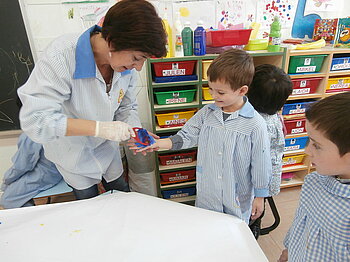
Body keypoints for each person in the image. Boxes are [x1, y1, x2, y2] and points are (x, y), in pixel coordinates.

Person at [17, 0, 167, 200]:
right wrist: (99, 128)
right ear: (112, 41)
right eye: (136, 58)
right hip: (73, 155)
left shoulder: (124, 67)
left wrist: (134, 131)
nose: (138, 68)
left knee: (121, 195)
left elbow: (126, 106)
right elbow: (36, 120)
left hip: (108, 153)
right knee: (89, 204)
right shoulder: (62, 55)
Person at [130, 49, 272, 224]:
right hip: (208, 195)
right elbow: (186, 136)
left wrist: (260, 196)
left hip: (236, 196)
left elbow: (261, 162)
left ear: (242, 90)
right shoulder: (207, 114)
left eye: (220, 93)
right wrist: (158, 143)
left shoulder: (255, 124)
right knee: (208, 227)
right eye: (210, 89)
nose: (213, 96)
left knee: (234, 233)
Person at [278, 92, 350, 262]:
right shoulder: (313, 181)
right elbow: (301, 221)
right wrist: (289, 249)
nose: (307, 151)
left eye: (316, 145)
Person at [247, 64, 293, 238]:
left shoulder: (257, 124)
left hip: (258, 181)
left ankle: (251, 233)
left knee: (254, 211)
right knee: (256, 207)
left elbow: (257, 162)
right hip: (264, 177)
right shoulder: (272, 114)